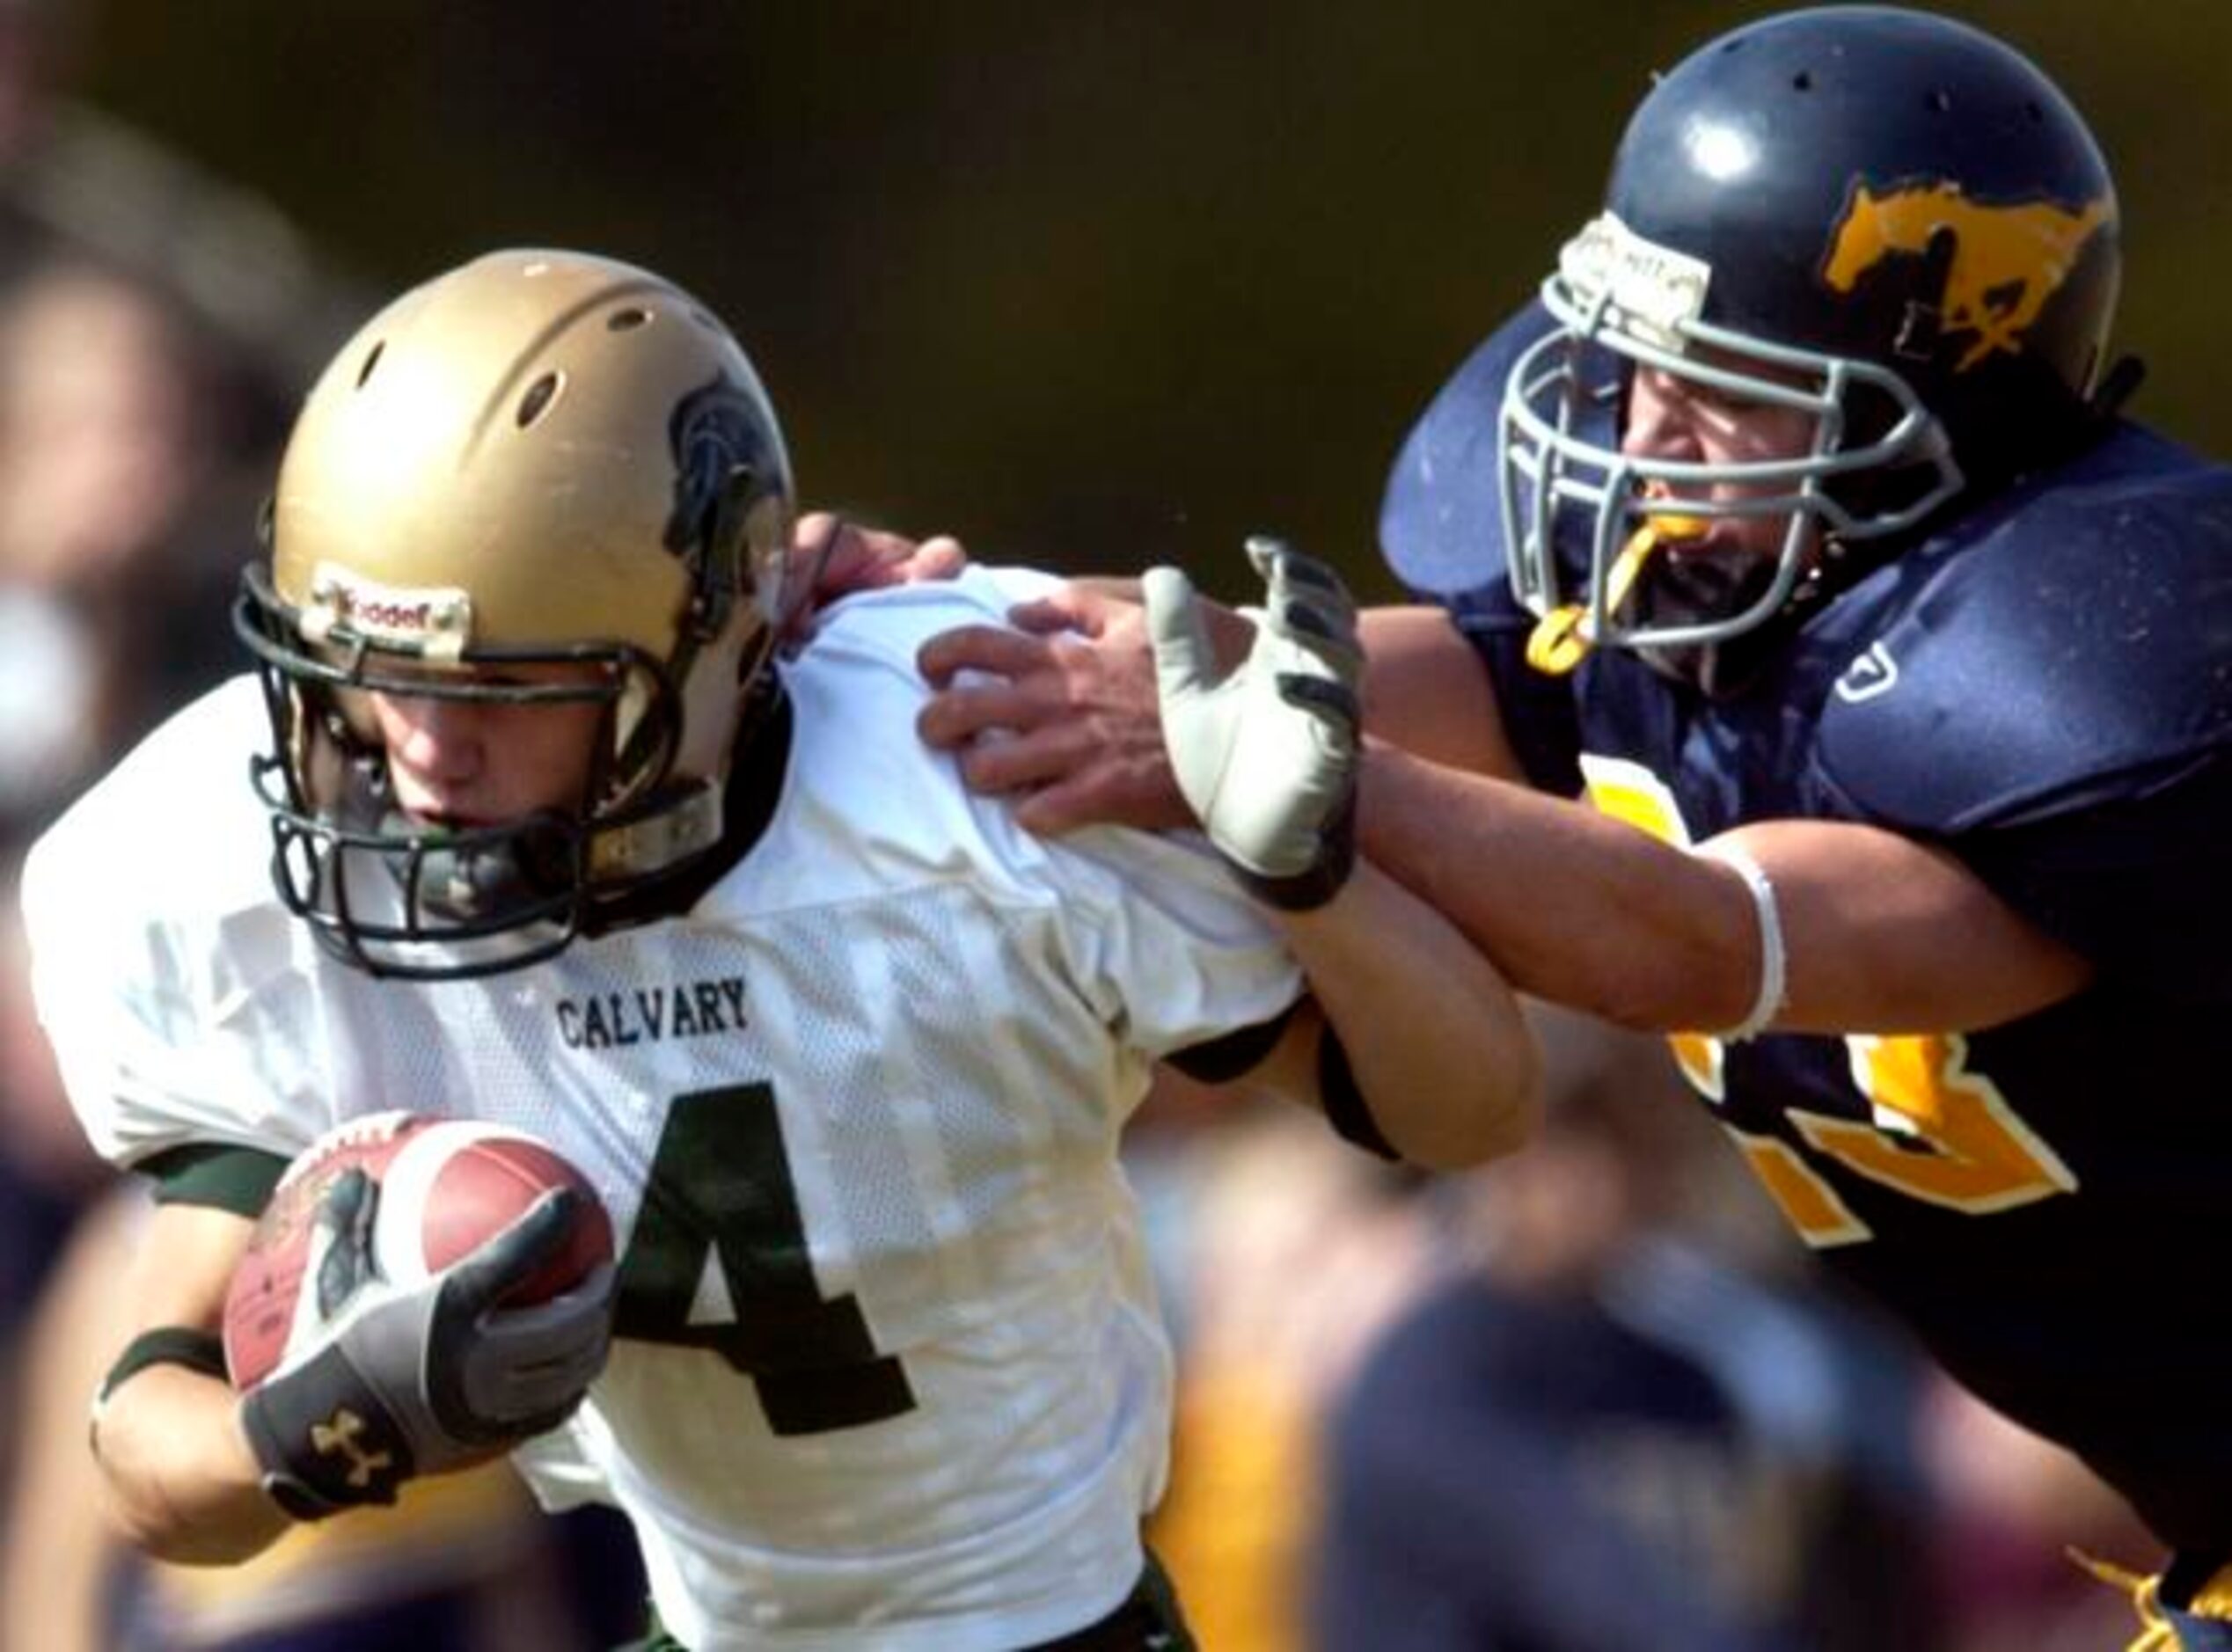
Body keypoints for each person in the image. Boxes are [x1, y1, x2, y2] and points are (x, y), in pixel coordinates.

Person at [911, 7, 2232, 1646]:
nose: (1645, 427)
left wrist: (1280, 767)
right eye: (1634, 361)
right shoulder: (1698, 593)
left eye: (1727, 389)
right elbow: (1280, 662)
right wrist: (892, 629)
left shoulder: (2072, 703)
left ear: (1942, 422)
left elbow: (1691, 931)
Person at [18, 245, 1539, 1652]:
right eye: (367, 679)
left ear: (706, 646)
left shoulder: (958, 752)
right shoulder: (231, 866)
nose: (419, 757)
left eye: (498, 689)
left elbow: (1466, 1111)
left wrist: (1311, 871)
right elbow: (147, 1455)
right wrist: (322, 1427)